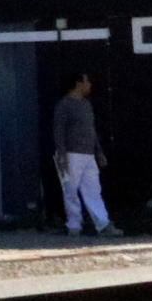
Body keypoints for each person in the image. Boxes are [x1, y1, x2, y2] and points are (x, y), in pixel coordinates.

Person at [53, 74, 119, 236]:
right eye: (86, 81)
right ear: (78, 83)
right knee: (71, 190)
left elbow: (92, 130)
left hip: (88, 154)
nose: (89, 84)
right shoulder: (64, 105)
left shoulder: (86, 105)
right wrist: (62, 154)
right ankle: (74, 225)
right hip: (71, 154)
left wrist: (99, 152)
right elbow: (59, 130)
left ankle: (102, 223)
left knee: (93, 190)